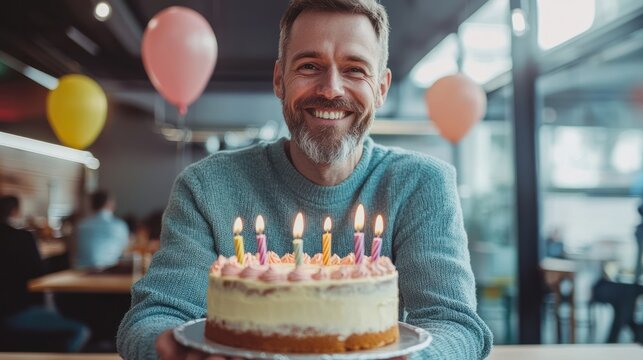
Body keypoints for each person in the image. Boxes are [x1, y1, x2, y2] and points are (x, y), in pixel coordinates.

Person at [117, 0, 493, 359]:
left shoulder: (421, 185)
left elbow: (454, 324)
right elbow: (153, 317)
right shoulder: (206, 186)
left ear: (381, 89)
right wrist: (172, 352)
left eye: (355, 69)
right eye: (310, 66)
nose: (331, 89)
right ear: (280, 79)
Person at [0, 195, 89, 352]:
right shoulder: (22, 238)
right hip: (16, 312)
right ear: (15, 211)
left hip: (10, 313)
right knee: (81, 330)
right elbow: (38, 274)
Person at [74, 190, 129, 269]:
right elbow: (125, 249)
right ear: (110, 204)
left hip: (81, 271)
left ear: (91, 205)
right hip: (108, 271)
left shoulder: (80, 225)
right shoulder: (119, 226)